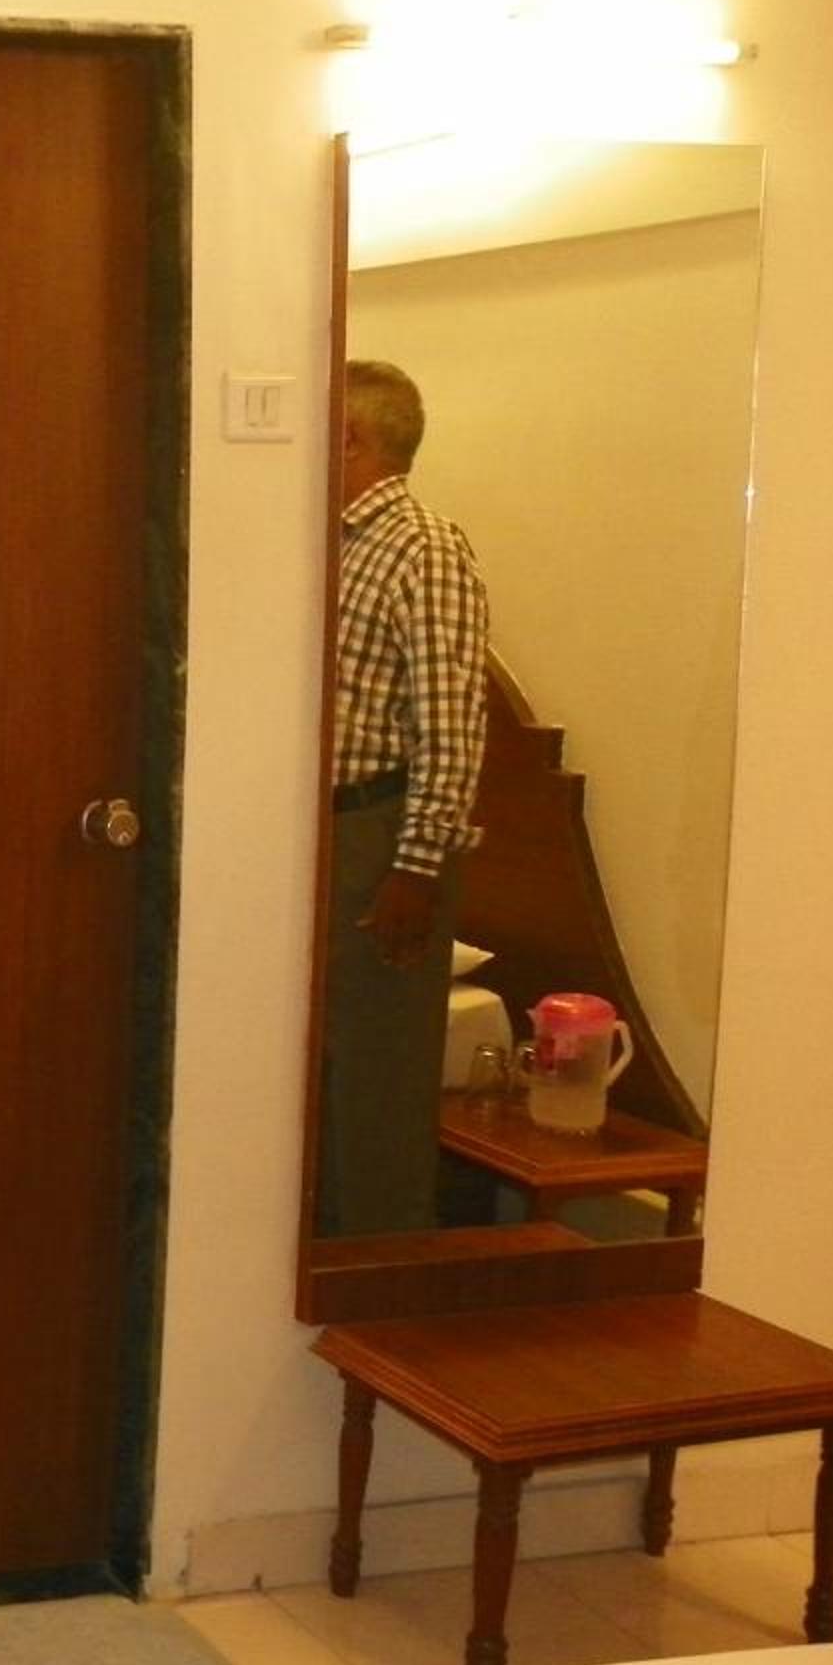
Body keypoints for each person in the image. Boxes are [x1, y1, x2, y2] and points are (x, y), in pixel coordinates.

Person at [322, 360, 489, 1238]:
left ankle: (379, 1274)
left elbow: (451, 726)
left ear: (350, 436)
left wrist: (414, 870)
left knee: (376, 1080)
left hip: (377, 835)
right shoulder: (328, 545)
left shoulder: (424, 548)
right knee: (313, 1073)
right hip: (319, 830)